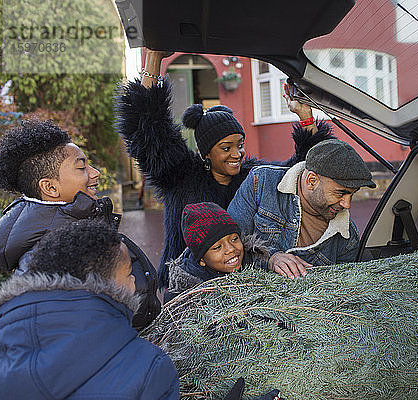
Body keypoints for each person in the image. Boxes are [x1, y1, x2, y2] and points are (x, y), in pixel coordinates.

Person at [115, 49, 335, 293]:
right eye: (226, 147)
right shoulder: (180, 177)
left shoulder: (254, 177)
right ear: (206, 153)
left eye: (240, 144)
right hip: (189, 289)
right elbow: (147, 127)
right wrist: (154, 59)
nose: (237, 154)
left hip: (240, 288)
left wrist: (305, 117)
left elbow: (302, 171)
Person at [0, 119, 160, 330]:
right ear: (50, 187)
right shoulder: (44, 257)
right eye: (81, 167)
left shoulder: (74, 226)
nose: (95, 173)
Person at [0, 219, 180, 399]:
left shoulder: (0, 347)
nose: (134, 280)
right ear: (108, 285)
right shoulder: (150, 366)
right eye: (129, 273)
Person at [227, 139, 376, 279]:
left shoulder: (348, 239)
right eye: (340, 193)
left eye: (352, 194)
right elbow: (226, 243)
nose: (347, 205)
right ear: (312, 181)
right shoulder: (260, 182)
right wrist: (270, 258)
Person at [166, 202, 270, 300]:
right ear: (201, 259)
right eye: (217, 247)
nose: (231, 249)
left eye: (234, 239)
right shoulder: (184, 297)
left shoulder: (257, 266)